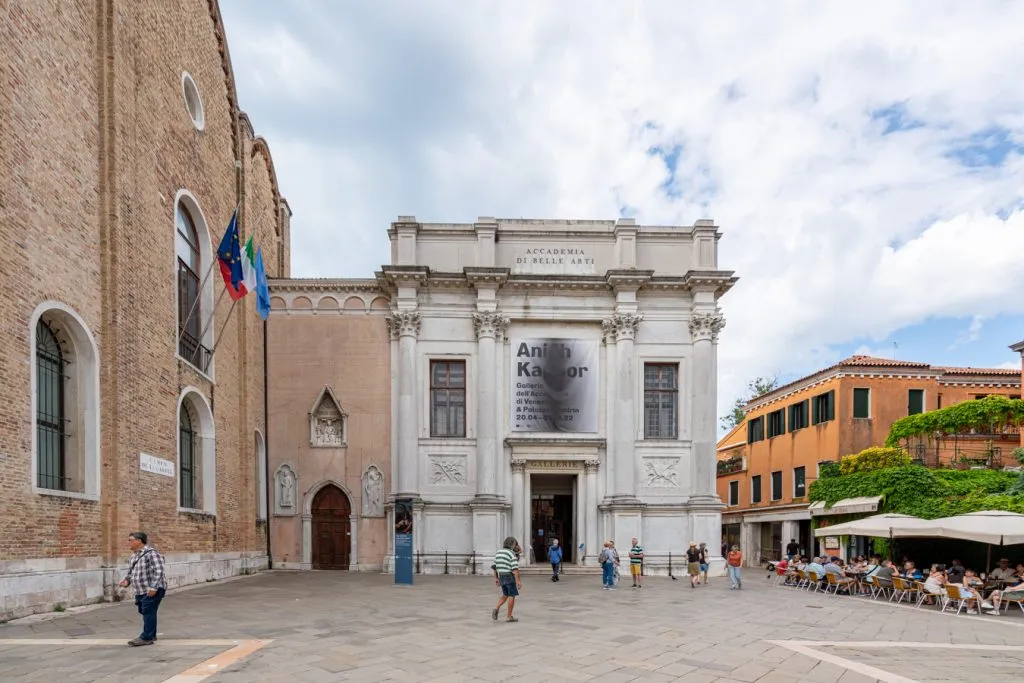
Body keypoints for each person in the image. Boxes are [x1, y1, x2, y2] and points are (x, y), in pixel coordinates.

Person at [118, 531, 166, 647]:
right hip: (140, 589)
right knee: (144, 610)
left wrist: (154, 587)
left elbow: (159, 570)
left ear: (139, 541)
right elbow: (131, 572)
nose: (128, 542)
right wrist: (127, 581)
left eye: (130, 540)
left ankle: (146, 637)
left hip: (152, 589)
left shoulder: (151, 553)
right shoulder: (134, 555)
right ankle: (151, 634)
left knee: (148, 611)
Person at [492, 536, 522, 623]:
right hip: (509, 576)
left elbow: (494, 567)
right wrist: (518, 581)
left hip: (501, 576)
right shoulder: (511, 553)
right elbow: (515, 569)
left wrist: (496, 578)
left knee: (505, 595)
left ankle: (496, 608)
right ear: (512, 544)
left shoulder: (498, 552)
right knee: (511, 595)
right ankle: (509, 616)